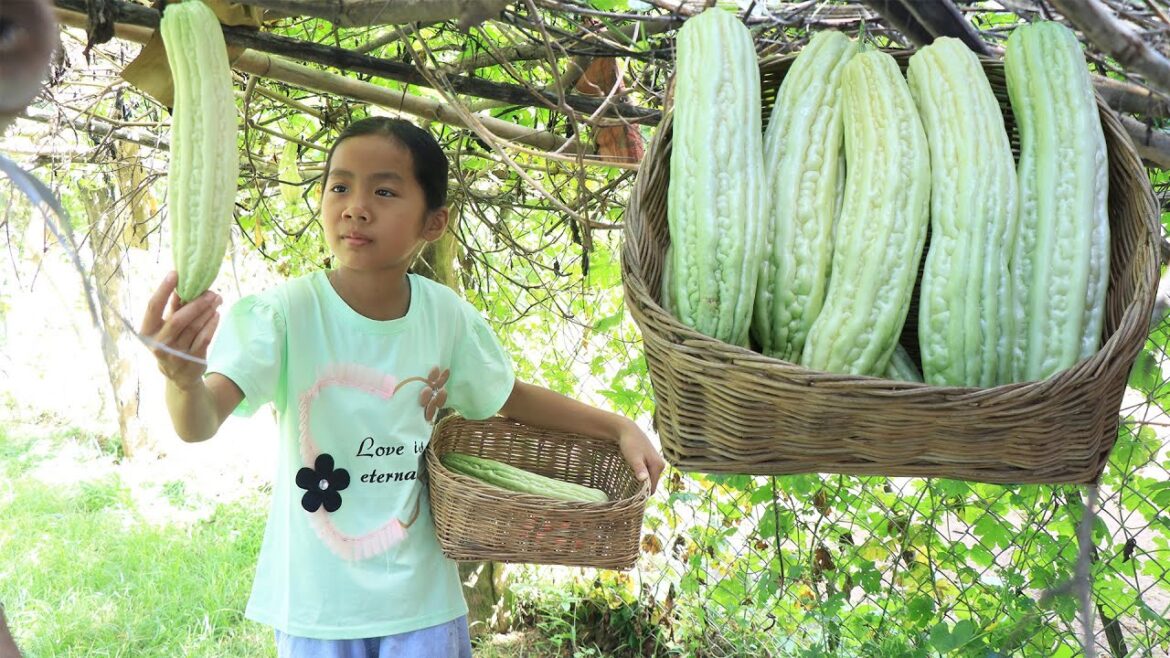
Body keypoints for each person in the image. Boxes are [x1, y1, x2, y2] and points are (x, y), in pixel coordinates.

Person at [140, 116, 666, 657]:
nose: (355, 206)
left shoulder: (446, 318)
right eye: (339, 186)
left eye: (384, 190)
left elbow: (508, 397)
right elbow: (199, 422)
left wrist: (618, 426)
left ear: (433, 223)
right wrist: (181, 380)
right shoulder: (284, 315)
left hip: (422, 605)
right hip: (318, 608)